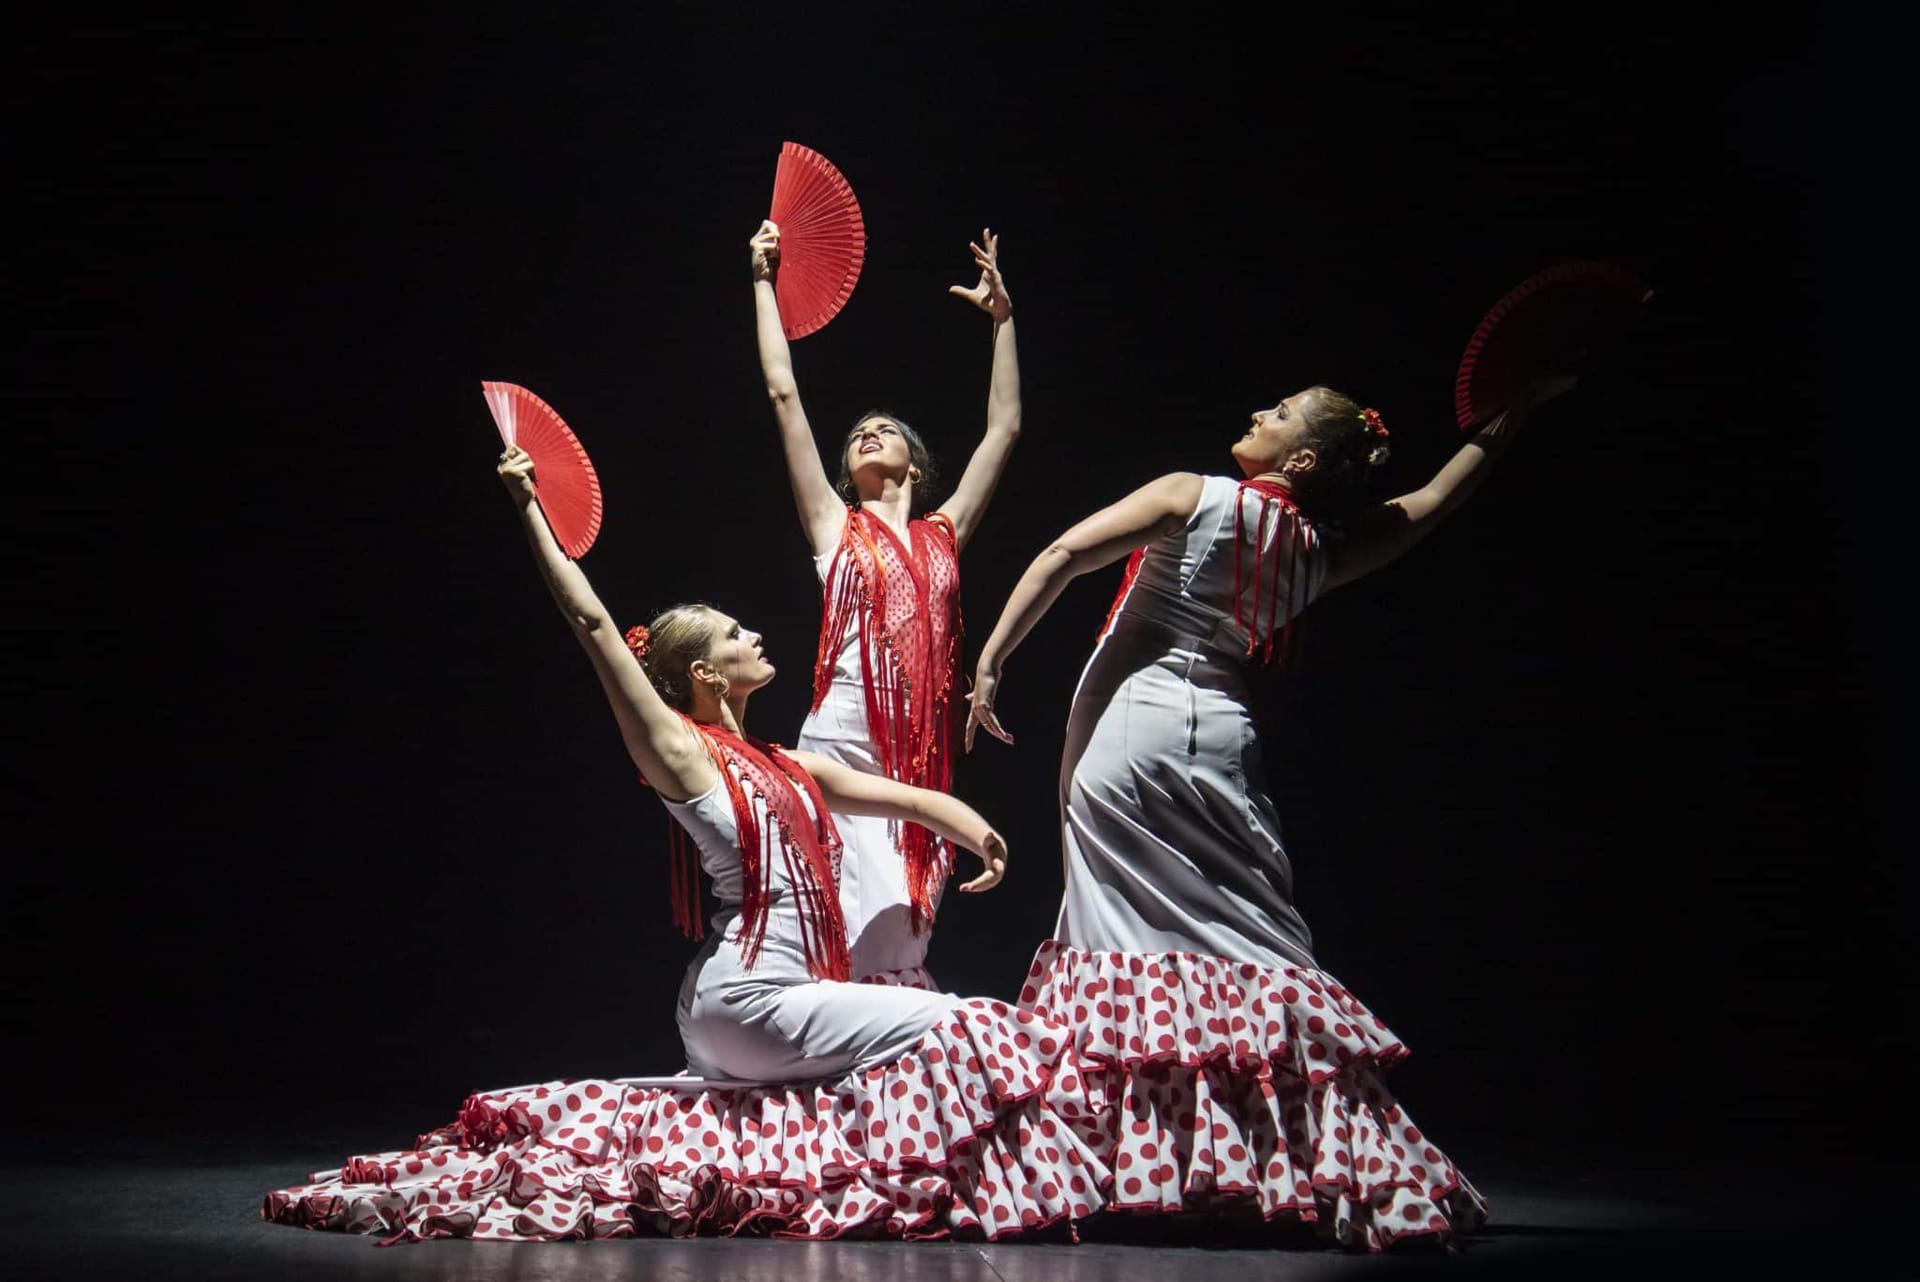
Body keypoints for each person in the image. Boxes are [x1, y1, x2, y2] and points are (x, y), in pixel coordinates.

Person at [262, 445, 1106, 1242]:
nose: (758, 639)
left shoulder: (783, 760)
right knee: (969, 1026)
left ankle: (929, 1194)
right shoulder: (680, 752)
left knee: (940, 1033)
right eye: (737, 637)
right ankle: (979, 1199)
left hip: (756, 1003)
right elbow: (592, 623)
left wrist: (979, 831)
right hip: (749, 1000)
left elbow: (904, 796)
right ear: (705, 674)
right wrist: (528, 508)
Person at [964, 378, 1573, 1249]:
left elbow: (1065, 554)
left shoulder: (1193, 493)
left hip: (1135, 726)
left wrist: (991, 660)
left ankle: (1137, 1163)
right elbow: (1433, 502)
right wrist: (1512, 417)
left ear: (1303, 459)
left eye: (1278, 414)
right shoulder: (1323, 551)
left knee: (1117, 935)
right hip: (1222, 734)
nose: (1255, 413)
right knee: (1247, 934)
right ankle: (1329, 1162)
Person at [750, 220, 1022, 988]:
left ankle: (883, 1083)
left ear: (915, 460)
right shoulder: (835, 528)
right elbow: (781, 393)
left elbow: (1004, 430)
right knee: (839, 926)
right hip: (839, 740)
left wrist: (1003, 321)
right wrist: (764, 283)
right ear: (845, 470)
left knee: (903, 932)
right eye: (858, 436)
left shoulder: (944, 534)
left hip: (921, 755)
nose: (868, 434)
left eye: (885, 430)